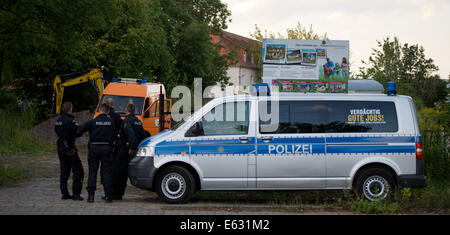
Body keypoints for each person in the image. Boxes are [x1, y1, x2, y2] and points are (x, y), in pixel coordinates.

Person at [78, 103, 115, 203]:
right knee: (107, 172)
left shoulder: (93, 121)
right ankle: (108, 196)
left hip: (94, 148)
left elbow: (79, 130)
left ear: (100, 110)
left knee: (93, 172)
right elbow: (116, 134)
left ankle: (91, 196)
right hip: (107, 148)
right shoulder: (111, 122)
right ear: (107, 111)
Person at [112, 103, 146, 200]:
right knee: (125, 172)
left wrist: (132, 146)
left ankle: (116, 194)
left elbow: (131, 135)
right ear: (134, 111)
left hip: (126, 150)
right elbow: (143, 136)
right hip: (135, 150)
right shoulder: (138, 121)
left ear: (127, 110)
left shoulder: (127, 121)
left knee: (118, 172)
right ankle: (119, 194)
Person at [54, 102, 84, 201]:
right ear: (70, 109)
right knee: (78, 170)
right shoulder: (71, 121)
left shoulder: (58, 120)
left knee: (64, 171)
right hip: (70, 148)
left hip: (61, 148)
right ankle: (76, 194)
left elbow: (56, 131)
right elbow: (77, 132)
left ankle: (64, 193)